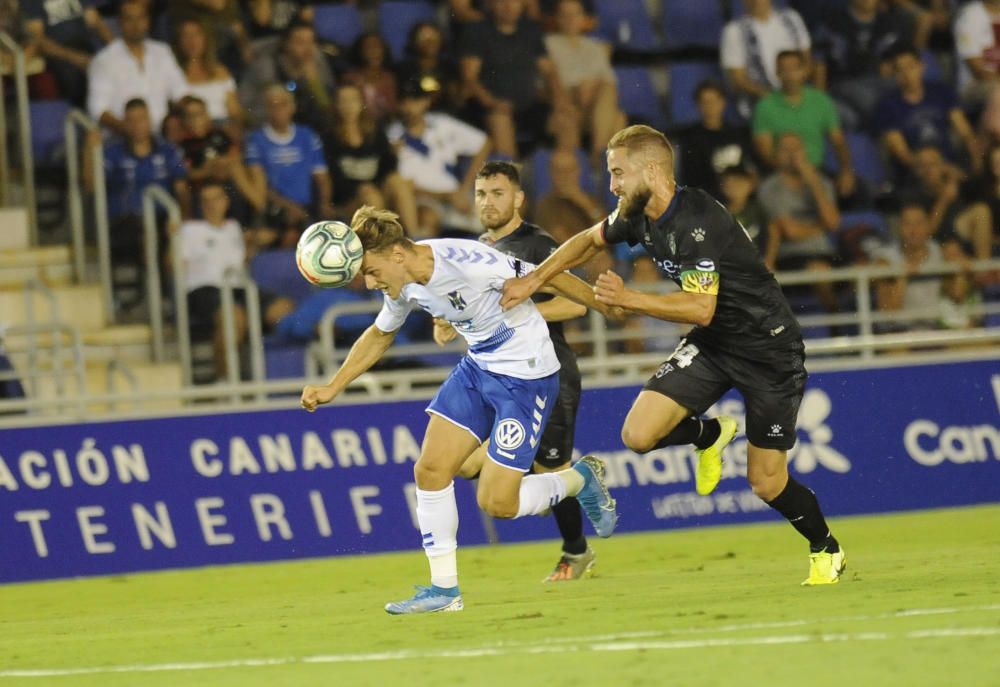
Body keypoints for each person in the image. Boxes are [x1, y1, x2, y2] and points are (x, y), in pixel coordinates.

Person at [501, 124, 846, 586]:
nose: (612, 186)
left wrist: (630, 298)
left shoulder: (697, 219)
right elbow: (587, 240)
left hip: (768, 351)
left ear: (652, 170)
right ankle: (709, 434)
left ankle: (826, 548)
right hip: (715, 346)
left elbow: (700, 308)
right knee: (637, 434)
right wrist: (533, 280)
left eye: (618, 173)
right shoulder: (636, 213)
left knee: (766, 482)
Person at [300, 205, 619, 613]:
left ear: (397, 254)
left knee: (497, 504)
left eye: (372, 272)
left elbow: (549, 274)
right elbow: (380, 334)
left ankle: (579, 478)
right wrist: (333, 386)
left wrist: (605, 305)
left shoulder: (468, 263)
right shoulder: (403, 284)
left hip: (525, 376)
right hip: (478, 368)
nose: (369, 282)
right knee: (430, 469)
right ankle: (445, 592)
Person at [435, 161, 595, 581]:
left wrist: (519, 310)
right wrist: (448, 321)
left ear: (519, 198)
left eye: (498, 194)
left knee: (551, 470)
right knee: (467, 464)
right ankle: (541, 490)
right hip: (497, 374)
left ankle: (576, 553)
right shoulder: (474, 249)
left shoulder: (538, 246)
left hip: (549, 373)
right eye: (482, 194)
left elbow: (577, 304)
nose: (488, 203)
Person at [752, 50, 855, 199]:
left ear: (804, 71)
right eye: (784, 69)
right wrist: (792, 170)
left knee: (857, 191)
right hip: (781, 174)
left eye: (794, 68)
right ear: (777, 73)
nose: (790, 75)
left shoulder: (820, 100)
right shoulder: (765, 106)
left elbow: (838, 141)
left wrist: (846, 170)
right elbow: (765, 151)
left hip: (817, 170)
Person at [175, 182, 248, 380]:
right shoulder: (189, 229)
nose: (211, 204)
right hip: (204, 289)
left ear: (226, 202)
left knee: (282, 307)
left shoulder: (234, 228)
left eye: (215, 198)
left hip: (238, 287)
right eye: (205, 200)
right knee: (234, 317)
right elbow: (175, 265)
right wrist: (171, 239)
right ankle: (225, 379)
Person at [87, 0, 188, 135]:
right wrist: (131, 130)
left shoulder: (162, 52)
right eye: (129, 19)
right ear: (120, 22)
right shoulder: (104, 60)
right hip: (122, 137)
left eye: (141, 18)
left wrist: (184, 117)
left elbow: (181, 93)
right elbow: (98, 110)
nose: (136, 25)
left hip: (164, 136)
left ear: (148, 21)